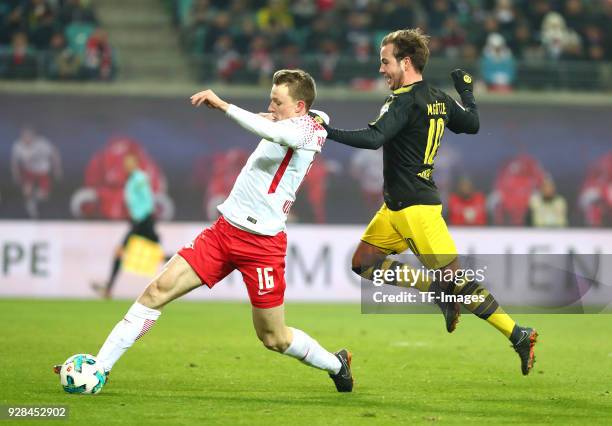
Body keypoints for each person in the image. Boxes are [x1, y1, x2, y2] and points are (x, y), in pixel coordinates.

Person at [57, 69, 353, 392]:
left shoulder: (307, 131)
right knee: (157, 290)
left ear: (299, 106)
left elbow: (277, 131)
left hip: (263, 246)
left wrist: (224, 106)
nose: (271, 105)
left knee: (274, 338)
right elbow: (271, 122)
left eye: (277, 101)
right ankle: (100, 367)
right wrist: (266, 113)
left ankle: (337, 364)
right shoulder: (295, 121)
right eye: (271, 98)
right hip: (224, 232)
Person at [320, 29, 537, 375]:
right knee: (364, 263)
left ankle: (518, 333)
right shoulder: (438, 97)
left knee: (458, 282)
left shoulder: (403, 101)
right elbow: (473, 123)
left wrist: (324, 131)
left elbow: (374, 137)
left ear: (405, 63)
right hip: (395, 209)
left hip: (416, 209)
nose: (381, 69)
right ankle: (435, 287)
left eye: (385, 61)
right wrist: (466, 90)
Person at [91, 154, 163, 299]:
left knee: (120, 251)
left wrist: (139, 218)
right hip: (140, 222)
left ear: (136, 164)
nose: (127, 166)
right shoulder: (132, 180)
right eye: (126, 164)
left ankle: (109, 288)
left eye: (130, 163)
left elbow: (147, 199)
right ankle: (184, 265)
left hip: (143, 221)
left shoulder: (139, 178)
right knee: (157, 254)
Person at [10, 126, 62, 218]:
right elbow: (14, 162)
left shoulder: (42, 143)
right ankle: (30, 208)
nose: (26, 139)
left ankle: (34, 200)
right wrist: (16, 174)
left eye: (29, 137)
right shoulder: (18, 145)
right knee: (27, 190)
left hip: (42, 171)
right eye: (24, 137)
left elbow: (54, 154)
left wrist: (57, 169)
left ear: (33, 136)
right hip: (29, 171)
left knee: (44, 195)